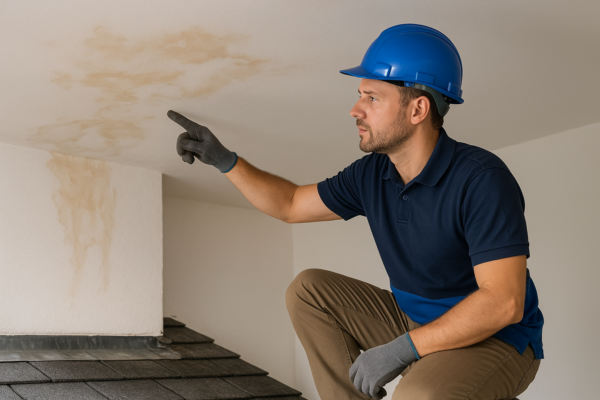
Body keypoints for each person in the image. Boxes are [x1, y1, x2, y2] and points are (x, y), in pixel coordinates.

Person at [168, 23, 544, 400]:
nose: (355, 110)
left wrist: (401, 349)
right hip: (414, 319)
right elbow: (291, 204)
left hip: (496, 338)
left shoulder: (481, 179)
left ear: (418, 109)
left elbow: (503, 303)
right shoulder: (373, 173)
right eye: (359, 95)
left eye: (372, 98)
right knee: (309, 290)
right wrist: (225, 161)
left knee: (419, 396)